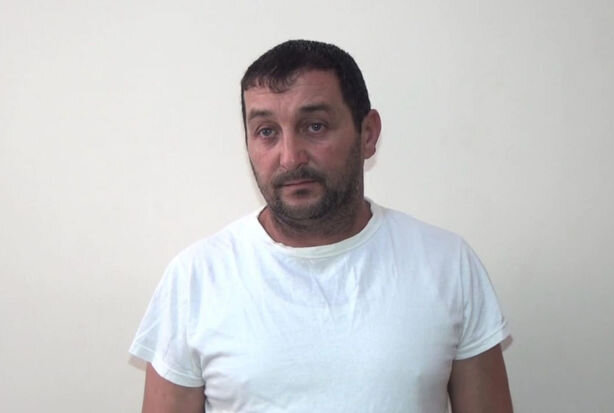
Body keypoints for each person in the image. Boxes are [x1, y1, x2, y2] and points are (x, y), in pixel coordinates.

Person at [129, 39, 513, 413]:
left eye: (314, 126)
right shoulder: (195, 278)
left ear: (367, 134)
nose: (290, 157)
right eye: (267, 131)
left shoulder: (447, 264)